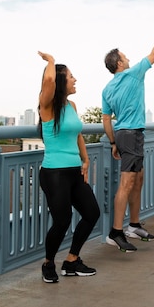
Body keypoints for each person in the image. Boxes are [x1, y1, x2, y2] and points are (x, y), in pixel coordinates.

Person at [102, 20, 154, 252]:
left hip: (127, 135)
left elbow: (105, 119)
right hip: (130, 135)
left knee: (138, 179)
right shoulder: (133, 74)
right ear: (120, 63)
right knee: (127, 182)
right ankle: (115, 232)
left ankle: (133, 225)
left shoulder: (107, 89)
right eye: (125, 57)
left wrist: (113, 142)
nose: (129, 59)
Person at [37, 51, 101, 283]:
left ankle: (72, 260)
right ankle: (48, 263)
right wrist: (52, 62)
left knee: (92, 213)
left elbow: (78, 135)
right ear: (61, 81)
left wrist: (85, 159)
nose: (75, 80)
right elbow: (49, 81)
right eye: (71, 77)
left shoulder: (71, 105)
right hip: (54, 173)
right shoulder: (46, 106)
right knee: (62, 220)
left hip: (74, 171)